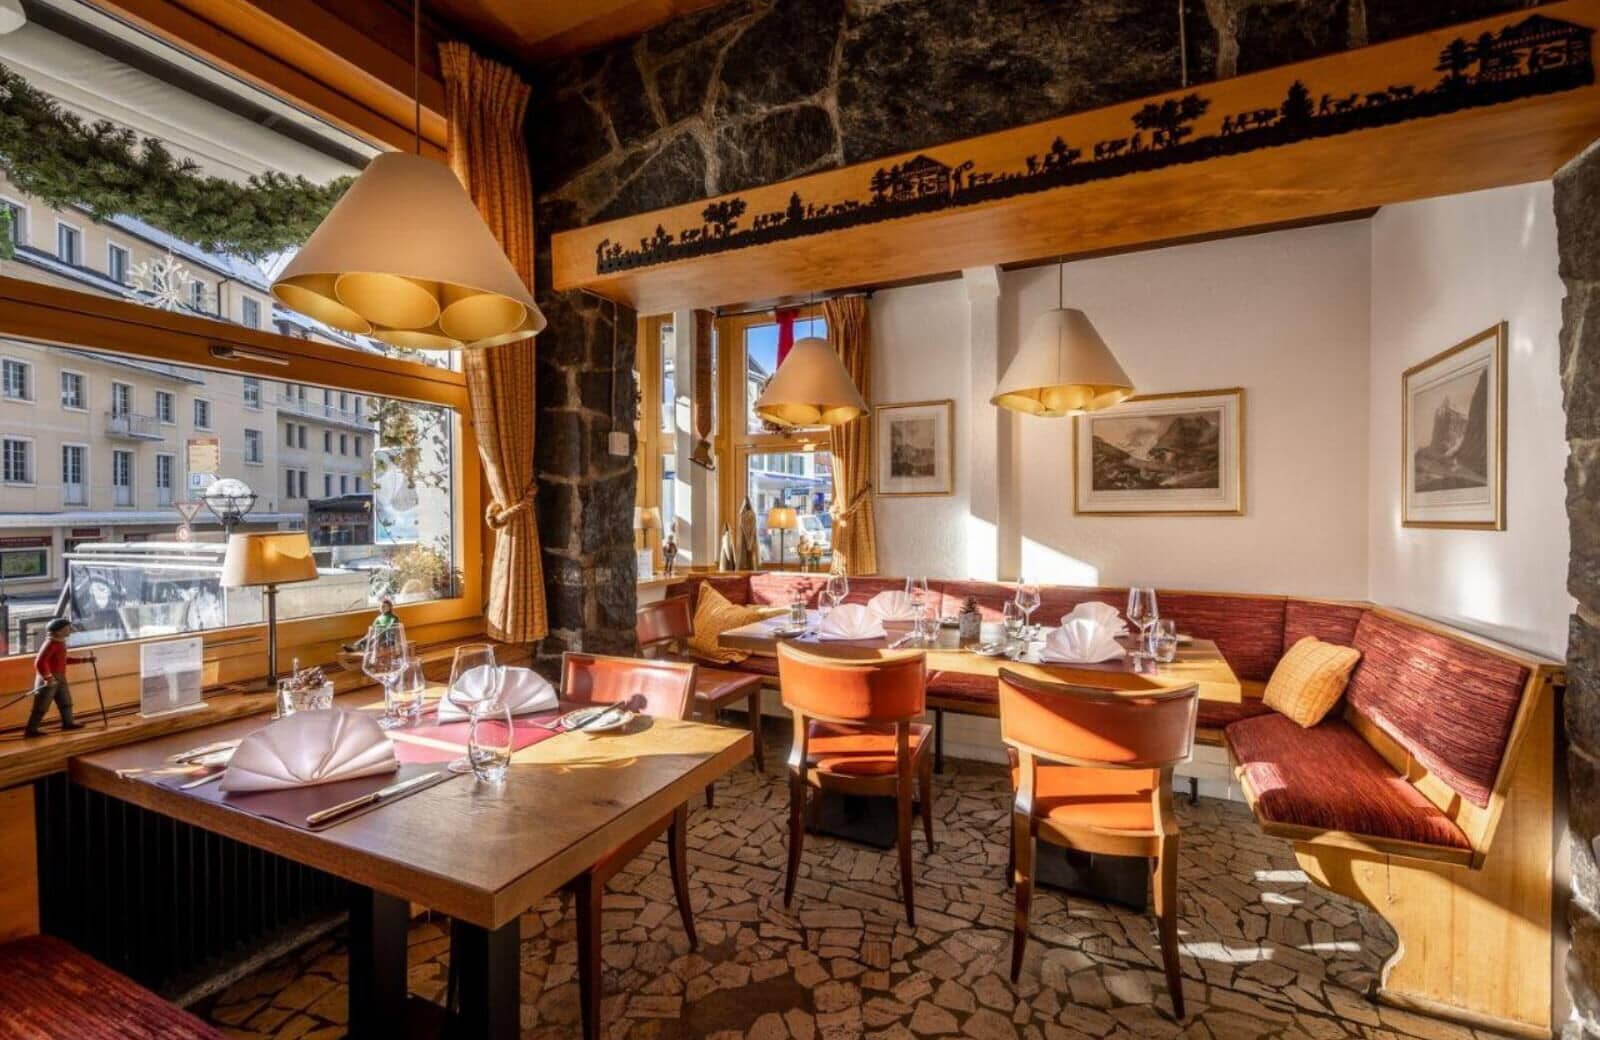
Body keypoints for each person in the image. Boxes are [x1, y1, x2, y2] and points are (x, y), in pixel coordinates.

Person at [25, 618, 93, 737]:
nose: (70, 630)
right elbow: (40, 662)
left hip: (60, 676)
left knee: (66, 702)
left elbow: (61, 660)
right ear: (58, 631)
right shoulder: (51, 644)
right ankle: (31, 729)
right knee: (42, 706)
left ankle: (68, 723)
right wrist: (47, 677)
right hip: (49, 678)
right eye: (67, 628)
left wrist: (84, 660)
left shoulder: (59, 642)